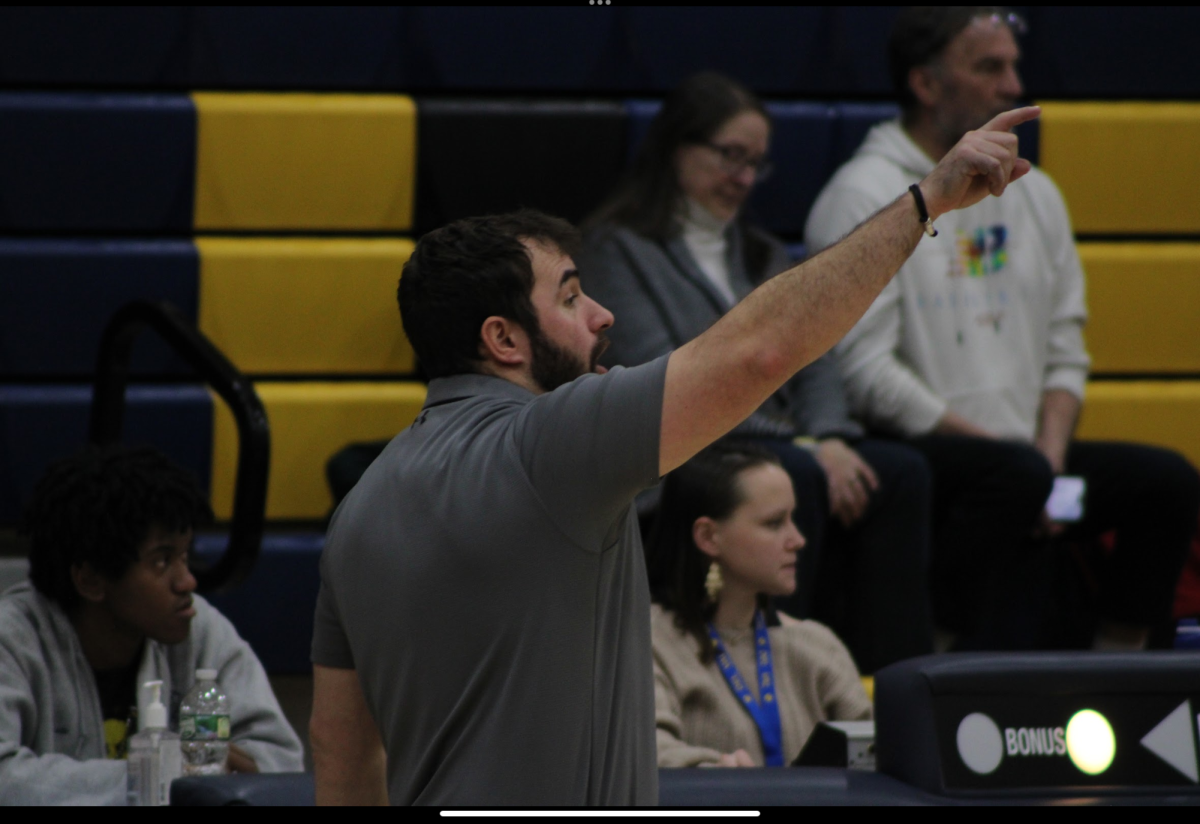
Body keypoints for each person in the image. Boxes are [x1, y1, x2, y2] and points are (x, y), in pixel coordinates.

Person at [309, 102, 1040, 805]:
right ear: (503, 340)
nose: (603, 315)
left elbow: (341, 759)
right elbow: (762, 350)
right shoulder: (548, 445)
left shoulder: (358, 511)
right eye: (569, 300)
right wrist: (924, 202)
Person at [805, 6, 1200, 651]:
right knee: (1008, 479)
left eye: (1015, 66)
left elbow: (1066, 347)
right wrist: (1014, 461)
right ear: (926, 84)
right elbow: (865, 374)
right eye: (991, 67)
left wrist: (1047, 453)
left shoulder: (1037, 193)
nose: (1015, 87)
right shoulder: (865, 194)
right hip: (935, 461)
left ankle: (1116, 668)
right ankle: (933, 668)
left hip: (1029, 460)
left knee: (1166, 482)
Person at [577, 71, 933, 673]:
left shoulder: (762, 251)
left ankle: (892, 684)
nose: (743, 177)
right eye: (729, 156)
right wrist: (806, 445)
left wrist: (831, 437)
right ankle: (790, 667)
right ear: (674, 150)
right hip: (680, 450)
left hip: (768, 442)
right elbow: (677, 380)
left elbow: (816, 353)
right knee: (794, 472)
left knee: (900, 473)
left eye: (755, 163)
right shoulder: (615, 250)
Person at [0, 445, 304, 805]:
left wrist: (223, 774)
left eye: (185, 555)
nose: (187, 581)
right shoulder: (14, 639)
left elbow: (281, 759)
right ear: (91, 579)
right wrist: (158, 777)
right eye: (161, 562)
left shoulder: (198, 629)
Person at [647, 443, 870, 768]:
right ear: (709, 537)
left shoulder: (817, 644)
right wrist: (715, 773)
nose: (797, 540)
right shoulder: (648, 640)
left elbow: (878, 756)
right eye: (774, 523)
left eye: (792, 519)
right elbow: (645, 753)